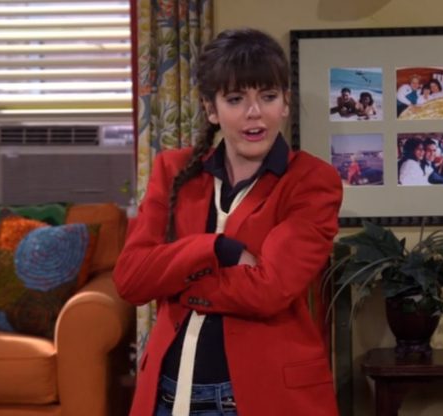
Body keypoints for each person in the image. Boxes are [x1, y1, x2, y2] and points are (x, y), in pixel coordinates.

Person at [113, 28, 343, 416]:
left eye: (268, 96)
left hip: (259, 398)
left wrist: (178, 281)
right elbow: (131, 279)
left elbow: (269, 290)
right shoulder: (172, 170)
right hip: (167, 396)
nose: (254, 113)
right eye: (236, 99)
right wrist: (217, 248)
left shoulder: (312, 181)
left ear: (285, 103)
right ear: (211, 109)